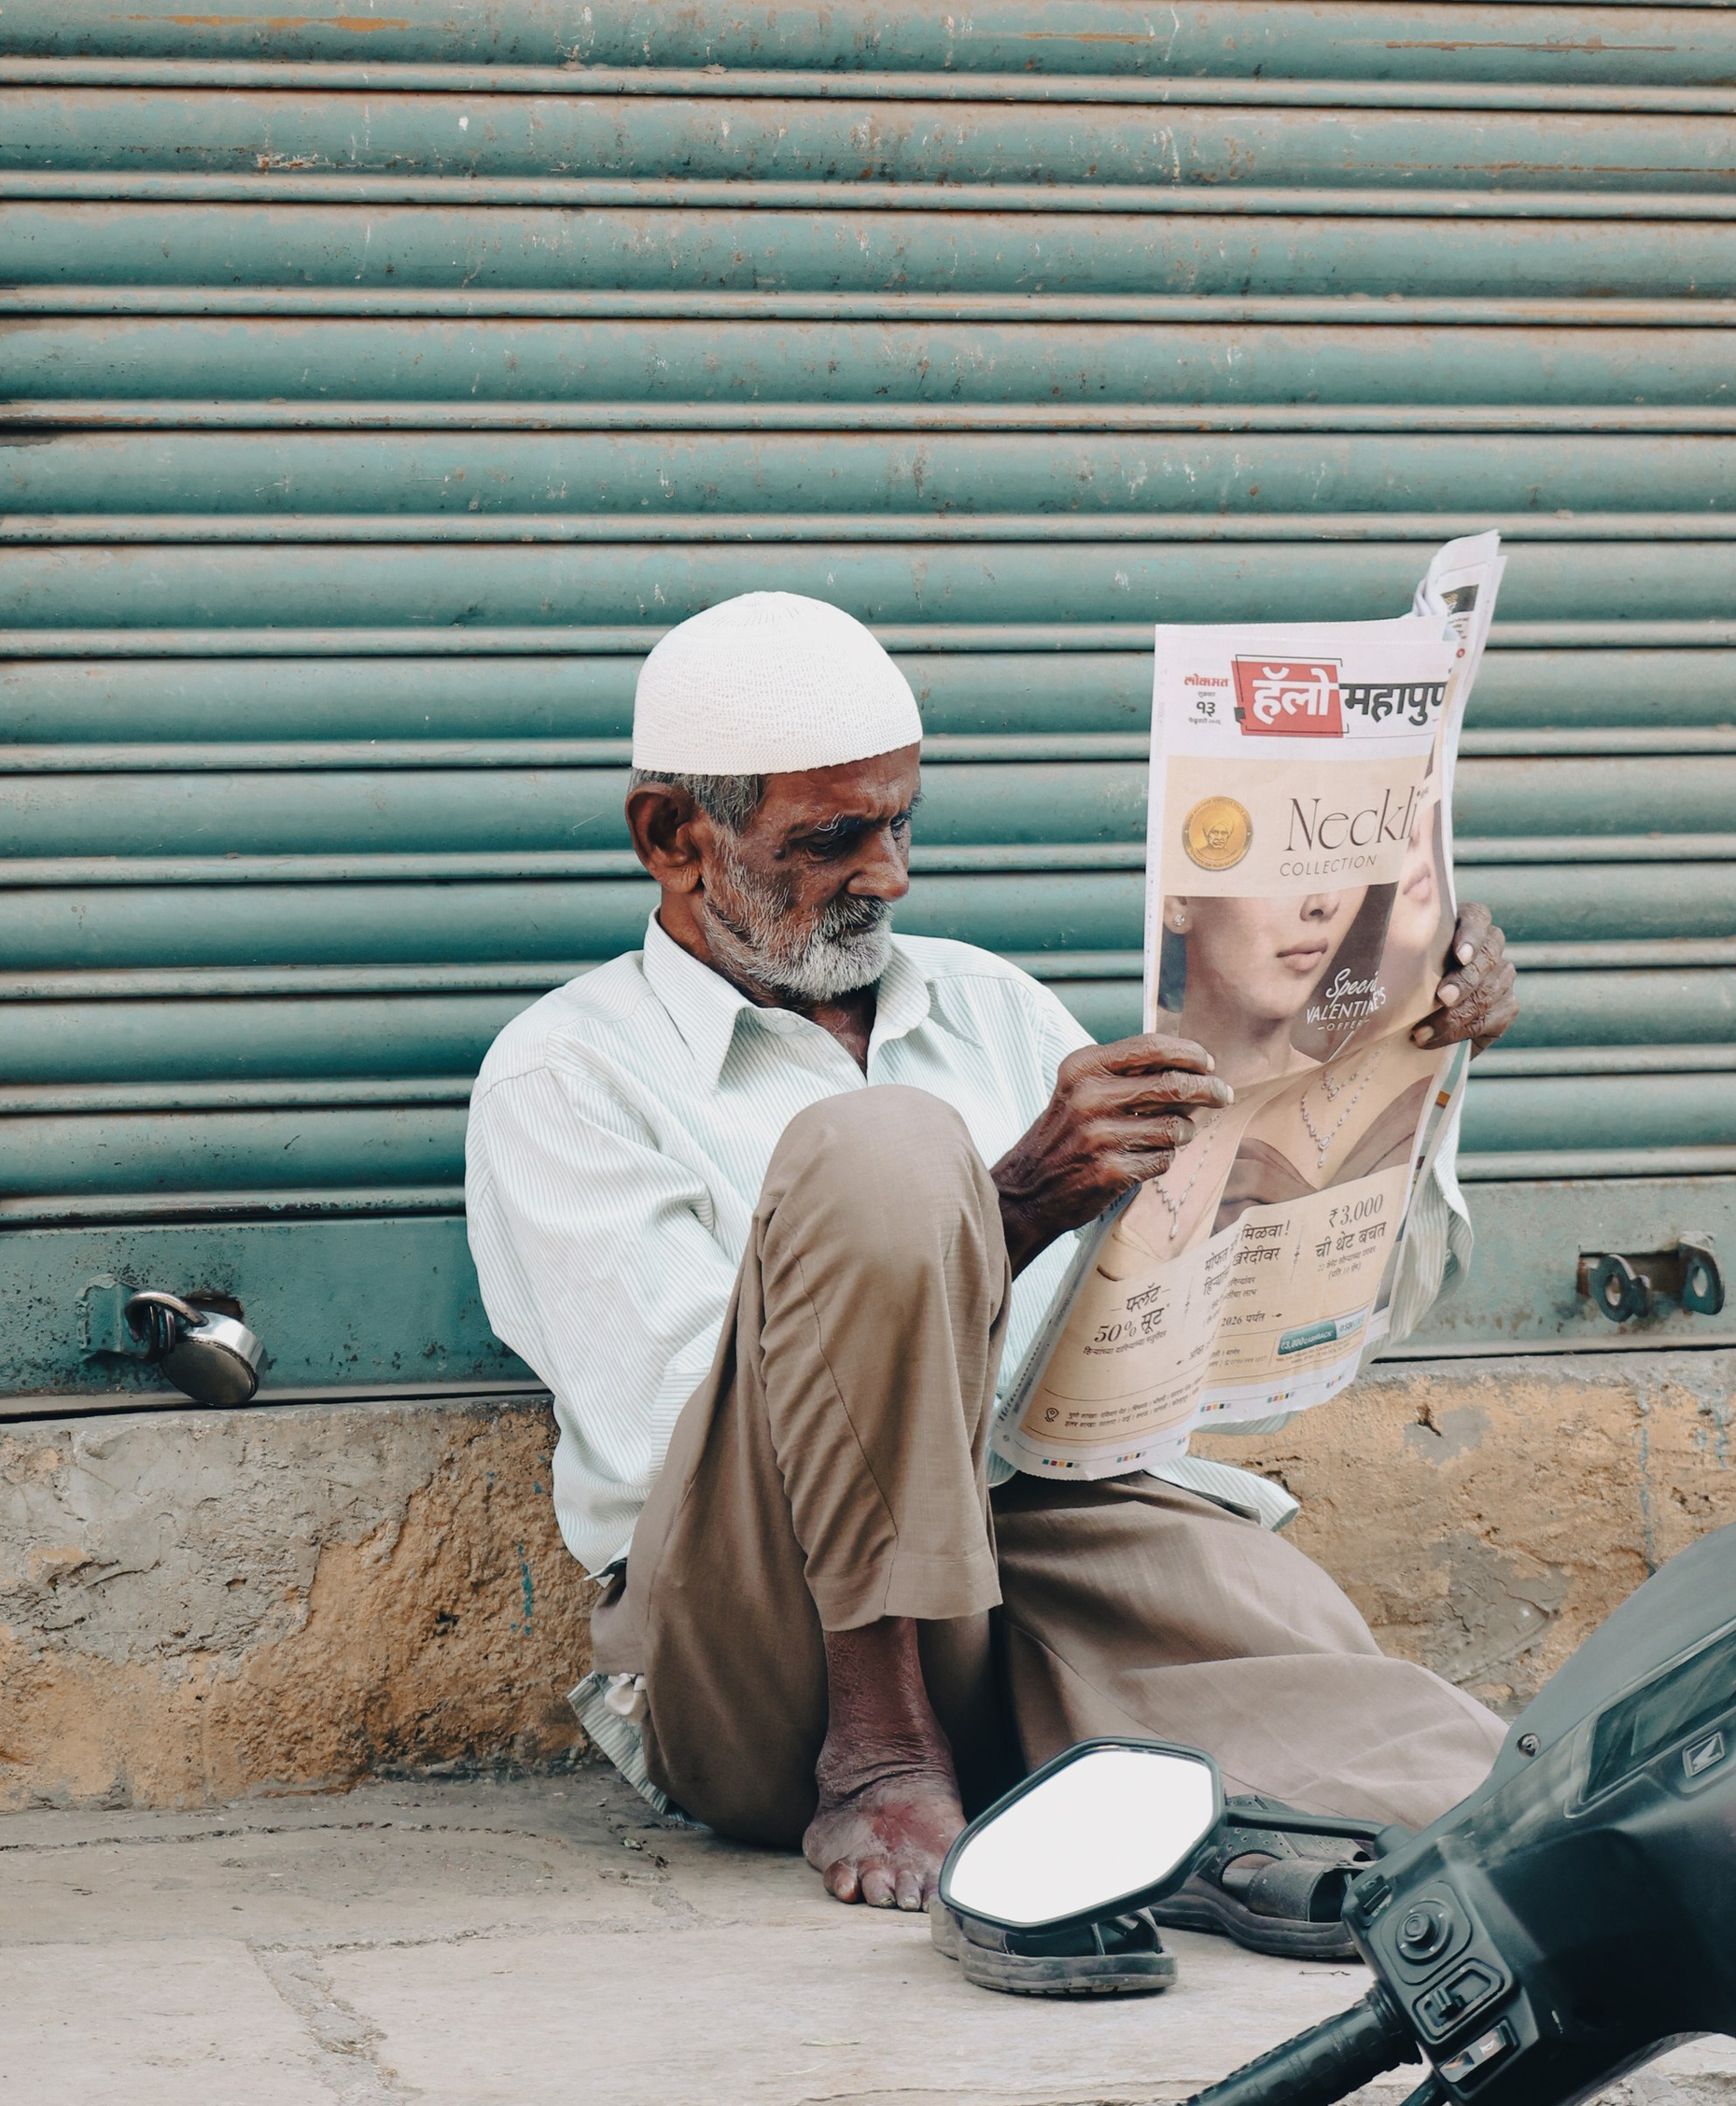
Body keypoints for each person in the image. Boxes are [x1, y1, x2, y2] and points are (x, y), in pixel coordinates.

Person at [466, 591, 1519, 1987]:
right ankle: (887, 1744)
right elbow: (684, 1444)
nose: (888, 876)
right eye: (832, 840)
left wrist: (1405, 1058)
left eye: (902, 824)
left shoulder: (989, 1006)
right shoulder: (568, 1076)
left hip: (1013, 1550)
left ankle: (1108, 1799)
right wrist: (1009, 1210)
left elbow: (1184, 1305)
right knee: (884, 1152)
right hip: (755, 1635)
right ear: (673, 839)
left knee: (1443, 1764)